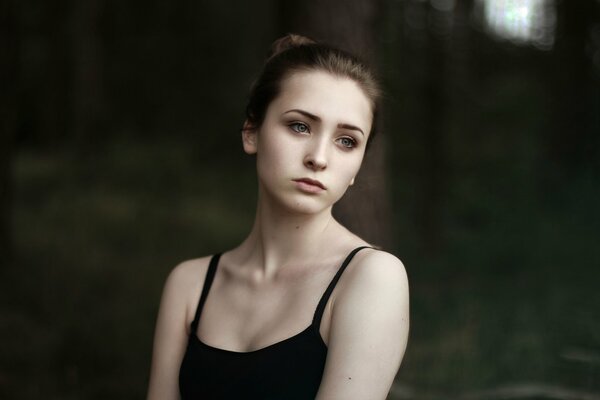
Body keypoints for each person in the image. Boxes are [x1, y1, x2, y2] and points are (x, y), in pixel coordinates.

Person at [147, 34, 409, 400]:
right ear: (251, 132)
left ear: (356, 168)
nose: (319, 157)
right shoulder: (189, 285)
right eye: (300, 126)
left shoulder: (371, 277)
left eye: (346, 141)